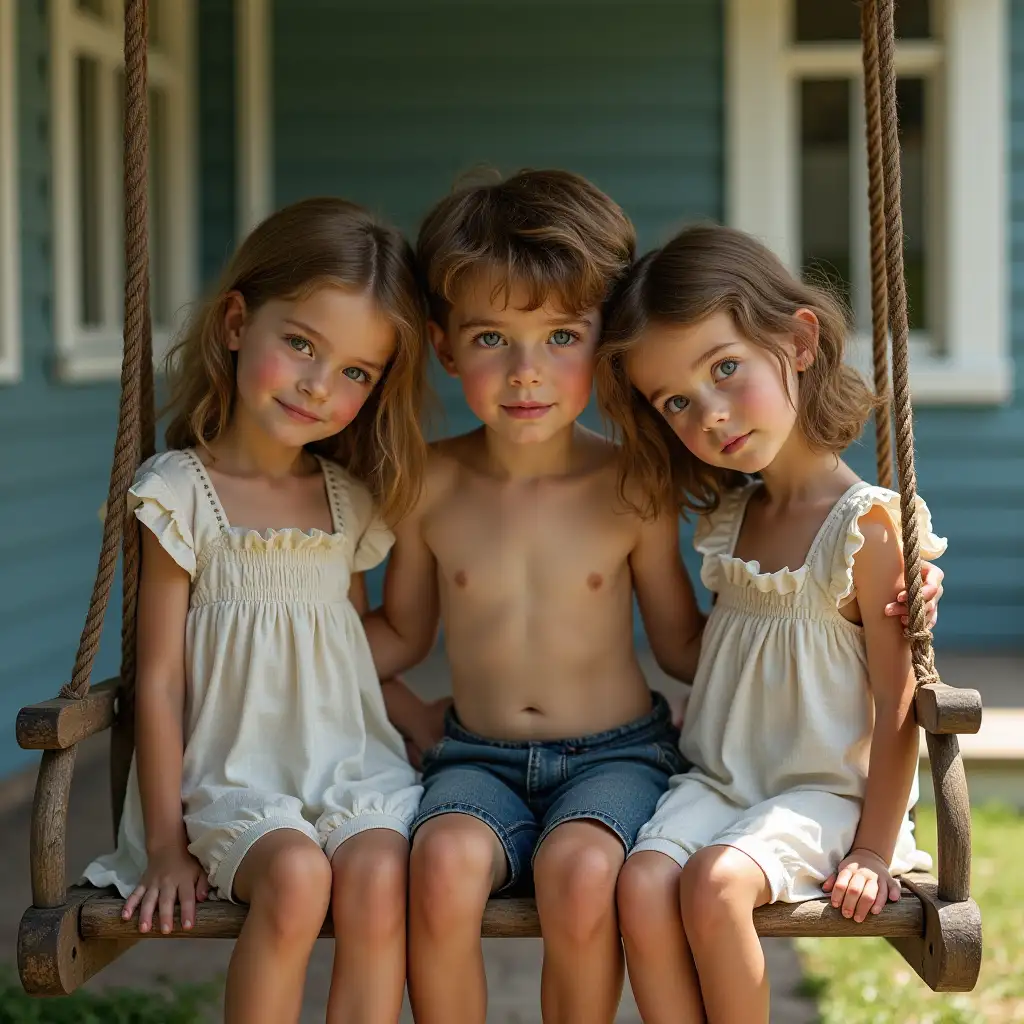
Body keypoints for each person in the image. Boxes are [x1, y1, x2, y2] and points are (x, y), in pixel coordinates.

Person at [361, 173, 943, 1024]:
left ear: (599, 352)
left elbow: (685, 644)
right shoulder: (427, 484)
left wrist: (872, 603)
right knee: (439, 869)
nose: (526, 373)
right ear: (447, 349)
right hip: (474, 755)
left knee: (585, 875)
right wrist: (368, 689)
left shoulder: (634, 483)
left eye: (560, 335)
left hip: (616, 756)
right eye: (492, 338)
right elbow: (401, 633)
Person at [83, 197, 428, 1024]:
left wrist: (426, 716)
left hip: (352, 769)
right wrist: (164, 845)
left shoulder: (345, 501)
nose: (319, 385)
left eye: (355, 372)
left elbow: (343, 648)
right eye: (302, 344)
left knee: (382, 878)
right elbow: (158, 683)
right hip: (236, 782)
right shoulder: (180, 494)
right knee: (300, 876)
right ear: (238, 322)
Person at [596, 223, 942, 1024]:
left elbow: (898, 704)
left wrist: (872, 847)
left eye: (725, 369)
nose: (711, 415)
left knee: (717, 884)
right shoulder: (730, 519)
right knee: (643, 883)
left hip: (826, 796)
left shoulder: (869, 525)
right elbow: (710, 658)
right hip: (721, 782)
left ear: (797, 340)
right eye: (677, 401)